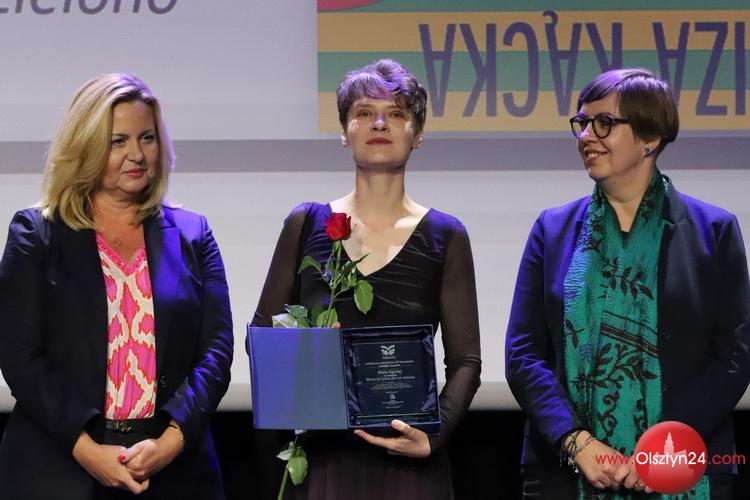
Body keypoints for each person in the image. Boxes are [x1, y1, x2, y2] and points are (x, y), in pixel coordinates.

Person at [505, 67, 750, 499]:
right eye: (582, 123)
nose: (587, 136)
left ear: (650, 137)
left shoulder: (714, 231)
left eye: (604, 123)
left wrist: (664, 448)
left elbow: (734, 354)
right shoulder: (552, 229)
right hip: (566, 472)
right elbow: (523, 353)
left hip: (681, 464)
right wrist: (576, 441)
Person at [251, 59, 481, 499]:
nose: (379, 123)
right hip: (325, 461)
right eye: (363, 112)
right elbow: (261, 336)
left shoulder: (446, 235)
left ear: (417, 134)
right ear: (344, 131)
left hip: (411, 468)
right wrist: (308, 351)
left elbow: (466, 360)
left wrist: (434, 436)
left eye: (396, 113)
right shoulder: (306, 223)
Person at [0, 73, 234, 499]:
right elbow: (20, 358)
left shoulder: (193, 234)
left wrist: (170, 443)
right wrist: (88, 450)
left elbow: (215, 353)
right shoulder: (38, 234)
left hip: (174, 469)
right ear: (86, 148)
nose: (137, 154)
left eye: (147, 138)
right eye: (117, 141)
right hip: (62, 467)